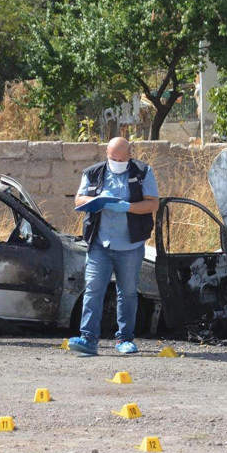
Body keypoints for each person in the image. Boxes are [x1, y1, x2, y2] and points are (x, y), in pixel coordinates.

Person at [68, 137, 159, 355]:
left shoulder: (143, 171)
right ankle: (88, 339)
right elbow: (78, 200)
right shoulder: (93, 173)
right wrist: (97, 199)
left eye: (121, 158)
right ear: (106, 154)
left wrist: (128, 207)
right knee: (93, 289)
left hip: (130, 245)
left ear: (129, 155)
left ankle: (125, 339)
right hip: (100, 243)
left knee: (127, 292)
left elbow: (153, 203)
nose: (116, 161)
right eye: (112, 158)